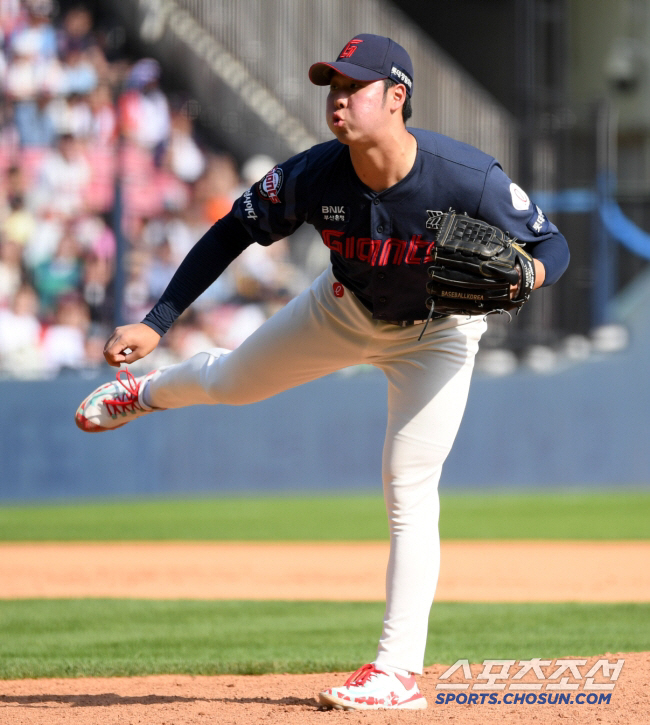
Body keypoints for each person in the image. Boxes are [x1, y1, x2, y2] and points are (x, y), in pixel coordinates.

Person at [75, 35, 570, 710]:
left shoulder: (466, 176)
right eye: (332, 87)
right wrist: (156, 321)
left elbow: (552, 244)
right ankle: (147, 393)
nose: (337, 99)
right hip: (344, 309)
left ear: (397, 97)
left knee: (409, 485)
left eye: (353, 87)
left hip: (437, 336)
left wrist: (526, 276)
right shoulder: (314, 174)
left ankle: (397, 670)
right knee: (231, 383)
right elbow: (231, 231)